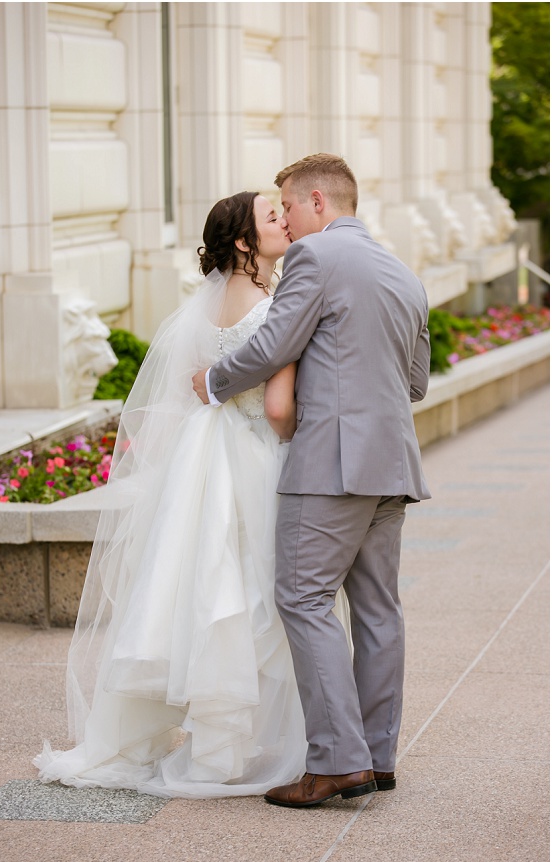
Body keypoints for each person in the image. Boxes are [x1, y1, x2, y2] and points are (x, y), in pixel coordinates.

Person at [36, 190, 324, 797]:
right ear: (245, 243)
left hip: (203, 451)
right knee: (235, 591)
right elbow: (275, 408)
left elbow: (196, 386)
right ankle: (219, 751)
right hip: (250, 454)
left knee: (191, 583)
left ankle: (167, 741)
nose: (286, 221)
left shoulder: (211, 305)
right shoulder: (274, 308)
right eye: (273, 217)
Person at [193, 153, 430, 808]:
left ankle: (335, 764)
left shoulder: (315, 260)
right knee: (380, 610)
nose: (288, 223)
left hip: (331, 463)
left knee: (301, 598)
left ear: (320, 202)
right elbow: (415, 382)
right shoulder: (404, 274)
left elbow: (274, 346)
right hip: (392, 465)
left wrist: (213, 381)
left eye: (290, 207)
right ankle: (377, 757)